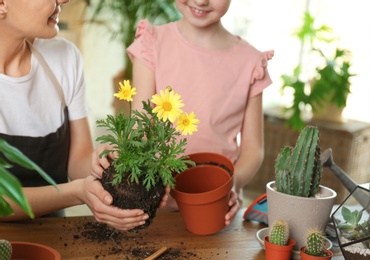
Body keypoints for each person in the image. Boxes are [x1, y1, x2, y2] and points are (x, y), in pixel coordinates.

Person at [95, 0, 274, 226]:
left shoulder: (250, 61)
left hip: (215, 208)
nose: (200, 1)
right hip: (154, 206)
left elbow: (253, 149)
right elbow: (140, 126)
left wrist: (232, 185)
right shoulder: (152, 41)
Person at [0, 0, 168, 230]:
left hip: (55, 234)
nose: (64, 0)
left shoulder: (64, 57)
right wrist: (78, 193)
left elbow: (78, 161)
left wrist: (107, 166)